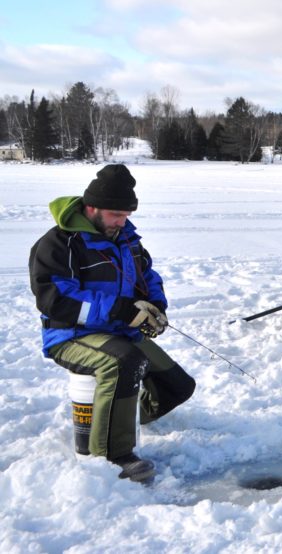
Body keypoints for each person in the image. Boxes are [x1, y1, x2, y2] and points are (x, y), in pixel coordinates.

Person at [29, 164, 195, 482]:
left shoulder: (127, 239)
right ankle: (112, 456)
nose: (121, 221)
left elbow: (147, 275)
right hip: (69, 335)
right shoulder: (59, 243)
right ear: (91, 208)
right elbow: (56, 301)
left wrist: (155, 305)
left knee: (177, 386)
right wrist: (120, 310)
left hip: (117, 331)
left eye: (125, 214)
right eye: (114, 215)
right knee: (124, 362)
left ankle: (119, 416)